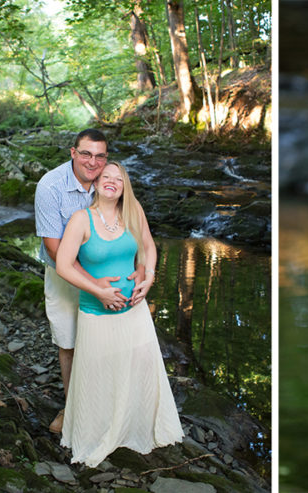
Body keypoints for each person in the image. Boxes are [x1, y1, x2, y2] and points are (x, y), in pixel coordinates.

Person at [54, 161, 183, 467]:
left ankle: (134, 428)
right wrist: (98, 291)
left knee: (136, 369)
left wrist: (148, 276)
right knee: (99, 375)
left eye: (119, 179)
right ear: (96, 183)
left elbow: (149, 247)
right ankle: (96, 435)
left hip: (134, 312)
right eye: (106, 177)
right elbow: (63, 265)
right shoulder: (80, 220)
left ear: (125, 186)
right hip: (95, 313)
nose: (112, 181)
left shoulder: (133, 213)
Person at [34, 129, 153, 433]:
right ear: (72, 152)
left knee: (109, 340)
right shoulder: (50, 186)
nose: (93, 161)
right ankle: (74, 408)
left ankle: (113, 406)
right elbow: (54, 247)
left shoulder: (111, 182)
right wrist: (97, 285)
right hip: (65, 274)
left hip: (109, 274)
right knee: (70, 339)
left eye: (100, 156)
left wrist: (142, 269)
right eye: (86, 153)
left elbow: (138, 238)